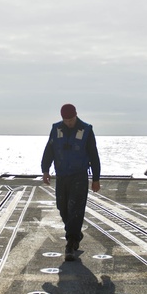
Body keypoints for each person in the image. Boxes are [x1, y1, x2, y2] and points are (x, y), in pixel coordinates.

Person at [42, 103, 101, 261]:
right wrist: (45, 170)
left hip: (79, 175)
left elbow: (94, 155)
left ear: (76, 115)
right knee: (62, 207)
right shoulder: (56, 129)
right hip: (62, 175)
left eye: (71, 119)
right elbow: (49, 150)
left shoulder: (86, 130)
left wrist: (96, 179)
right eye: (66, 120)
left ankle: (70, 242)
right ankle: (75, 233)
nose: (69, 122)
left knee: (75, 208)